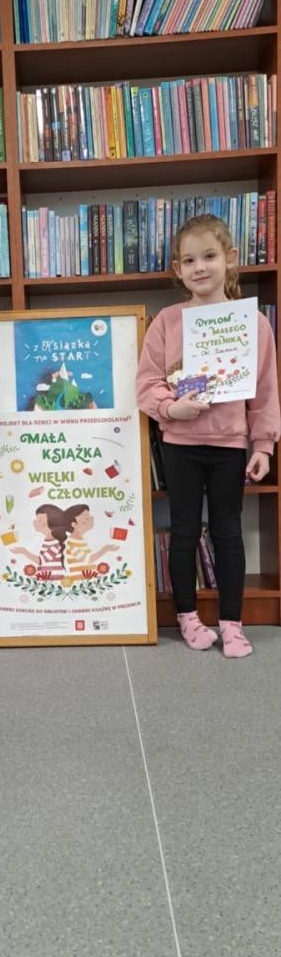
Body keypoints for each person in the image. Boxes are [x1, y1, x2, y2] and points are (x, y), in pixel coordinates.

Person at [136, 214, 280, 657]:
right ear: (177, 269)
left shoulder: (253, 323)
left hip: (229, 444)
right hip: (180, 445)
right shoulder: (167, 321)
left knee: (227, 531)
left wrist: (263, 445)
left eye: (209, 256)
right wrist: (170, 408)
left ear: (230, 259)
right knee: (183, 532)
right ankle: (187, 617)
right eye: (189, 260)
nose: (200, 267)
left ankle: (232, 624)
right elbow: (147, 382)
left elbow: (265, 389)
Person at [11, 504, 67, 579]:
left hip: (52, 579)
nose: (34, 521)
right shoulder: (48, 541)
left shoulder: (55, 544)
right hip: (45, 577)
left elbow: (40, 561)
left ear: (52, 524)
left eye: (39, 520)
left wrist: (24, 551)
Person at [63, 505, 118, 580]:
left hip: (88, 577)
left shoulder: (79, 540)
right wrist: (104, 549)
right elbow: (88, 559)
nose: (92, 518)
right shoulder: (71, 543)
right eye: (86, 518)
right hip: (80, 579)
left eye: (90, 517)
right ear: (74, 525)